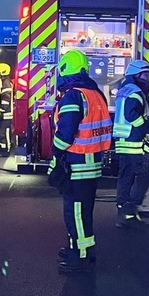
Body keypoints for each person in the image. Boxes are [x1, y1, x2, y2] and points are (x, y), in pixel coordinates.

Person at [50, 49, 112, 275]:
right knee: (83, 213)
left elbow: (65, 134)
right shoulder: (95, 94)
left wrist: (55, 155)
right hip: (91, 164)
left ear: (65, 70)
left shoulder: (73, 96)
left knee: (75, 214)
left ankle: (82, 258)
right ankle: (76, 249)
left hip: (76, 165)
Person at [112, 59, 149, 229]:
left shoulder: (126, 89)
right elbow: (131, 115)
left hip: (125, 140)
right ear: (136, 75)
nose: (148, 78)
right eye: (145, 75)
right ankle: (128, 210)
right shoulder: (135, 91)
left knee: (127, 178)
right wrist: (148, 129)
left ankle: (126, 214)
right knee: (143, 174)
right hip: (132, 142)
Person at [0, 62, 13, 156]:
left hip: (6, 113)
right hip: (4, 112)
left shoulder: (5, 82)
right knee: (1, 132)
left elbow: (6, 97)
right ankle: (2, 149)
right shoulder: (4, 81)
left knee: (4, 132)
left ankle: (5, 150)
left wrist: (2, 108)